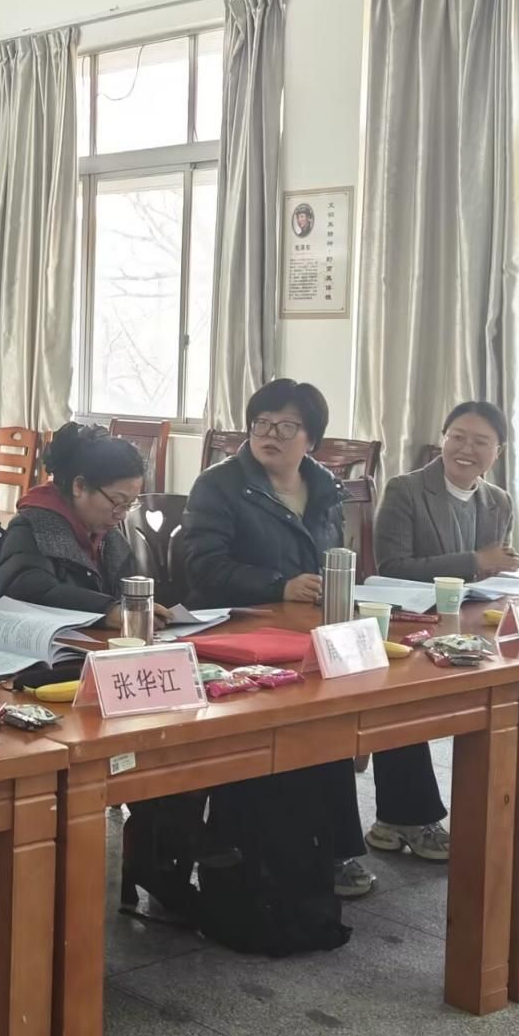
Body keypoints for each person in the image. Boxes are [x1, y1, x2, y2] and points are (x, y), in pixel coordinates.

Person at [375, 401, 519, 872]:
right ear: (442, 439)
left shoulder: (498, 500)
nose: (466, 449)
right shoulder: (405, 490)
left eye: (481, 441)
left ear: (497, 452)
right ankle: (406, 818)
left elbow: (495, 575)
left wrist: (511, 570)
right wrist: (476, 561)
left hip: (480, 629)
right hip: (415, 628)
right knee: (399, 692)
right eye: (457, 437)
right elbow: (392, 567)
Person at [180, 378, 387, 897]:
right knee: (305, 715)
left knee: (336, 712)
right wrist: (280, 585)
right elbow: (202, 567)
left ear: (311, 439)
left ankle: (331, 847)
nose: (270, 435)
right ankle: (297, 852)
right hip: (234, 631)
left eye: (286, 427)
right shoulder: (219, 485)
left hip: (304, 630)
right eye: (262, 424)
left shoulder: (324, 487)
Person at [0, 422, 172, 623]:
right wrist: (108, 611)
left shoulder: (110, 538)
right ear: (79, 486)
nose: (122, 515)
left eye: (129, 504)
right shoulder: (32, 527)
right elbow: (29, 591)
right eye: (117, 501)